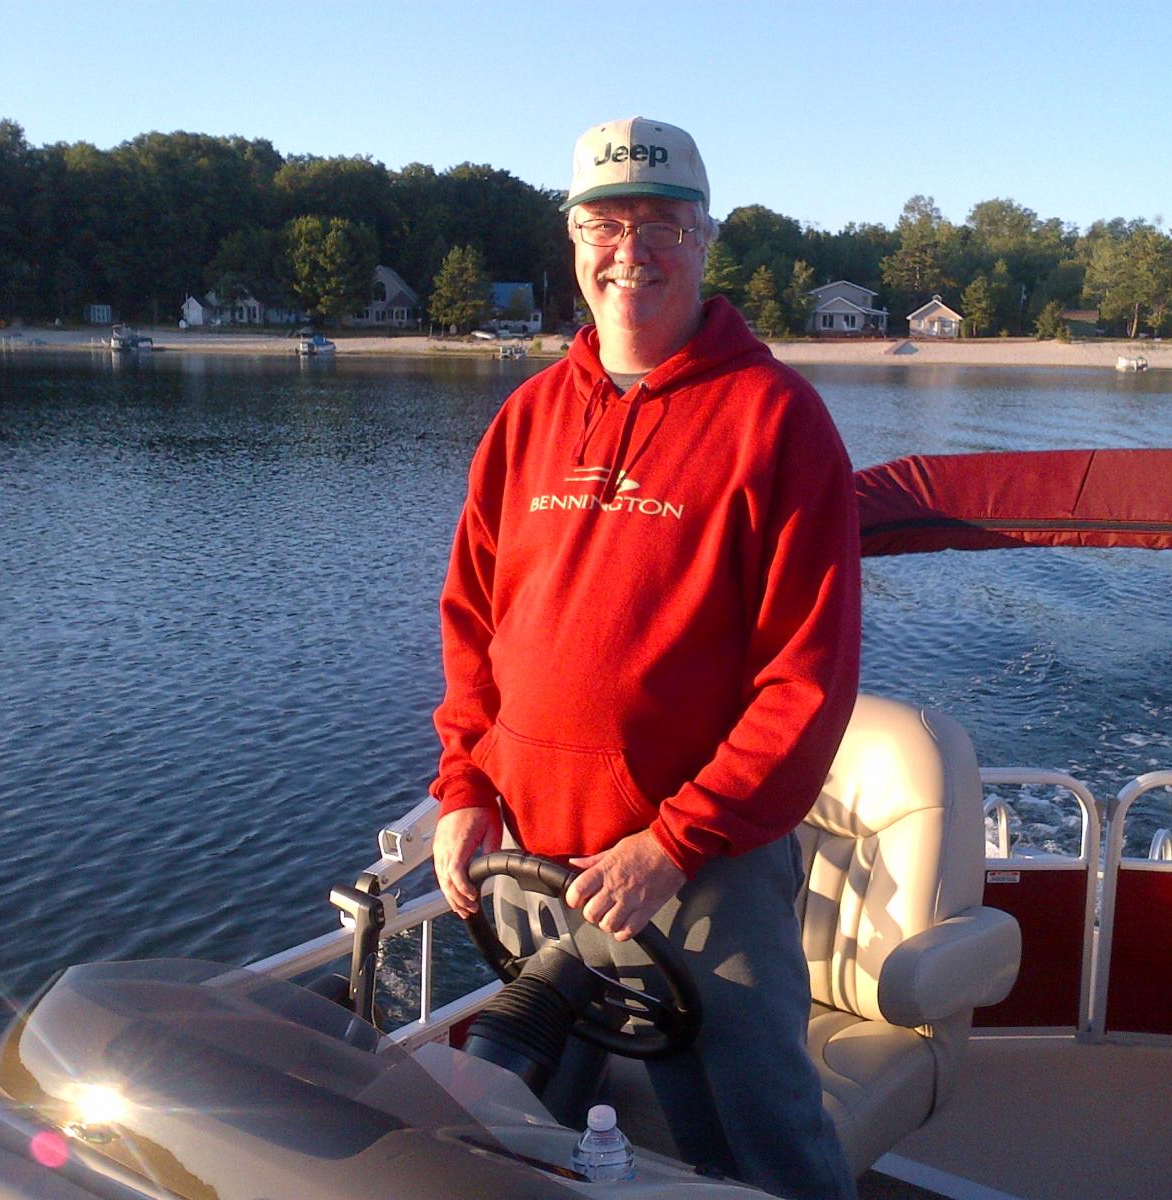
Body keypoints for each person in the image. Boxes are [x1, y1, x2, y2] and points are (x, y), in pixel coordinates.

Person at [429, 115, 860, 1200]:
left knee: (760, 1143)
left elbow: (804, 685)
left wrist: (672, 844)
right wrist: (464, 787)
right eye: (607, 222)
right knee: (528, 1132)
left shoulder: (777, 421)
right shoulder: (525, 418)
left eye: (663, 222)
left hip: (702, 875)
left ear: (706, 241)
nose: (634, 248)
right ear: (573, 241)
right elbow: (473, 627)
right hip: (528, 862)